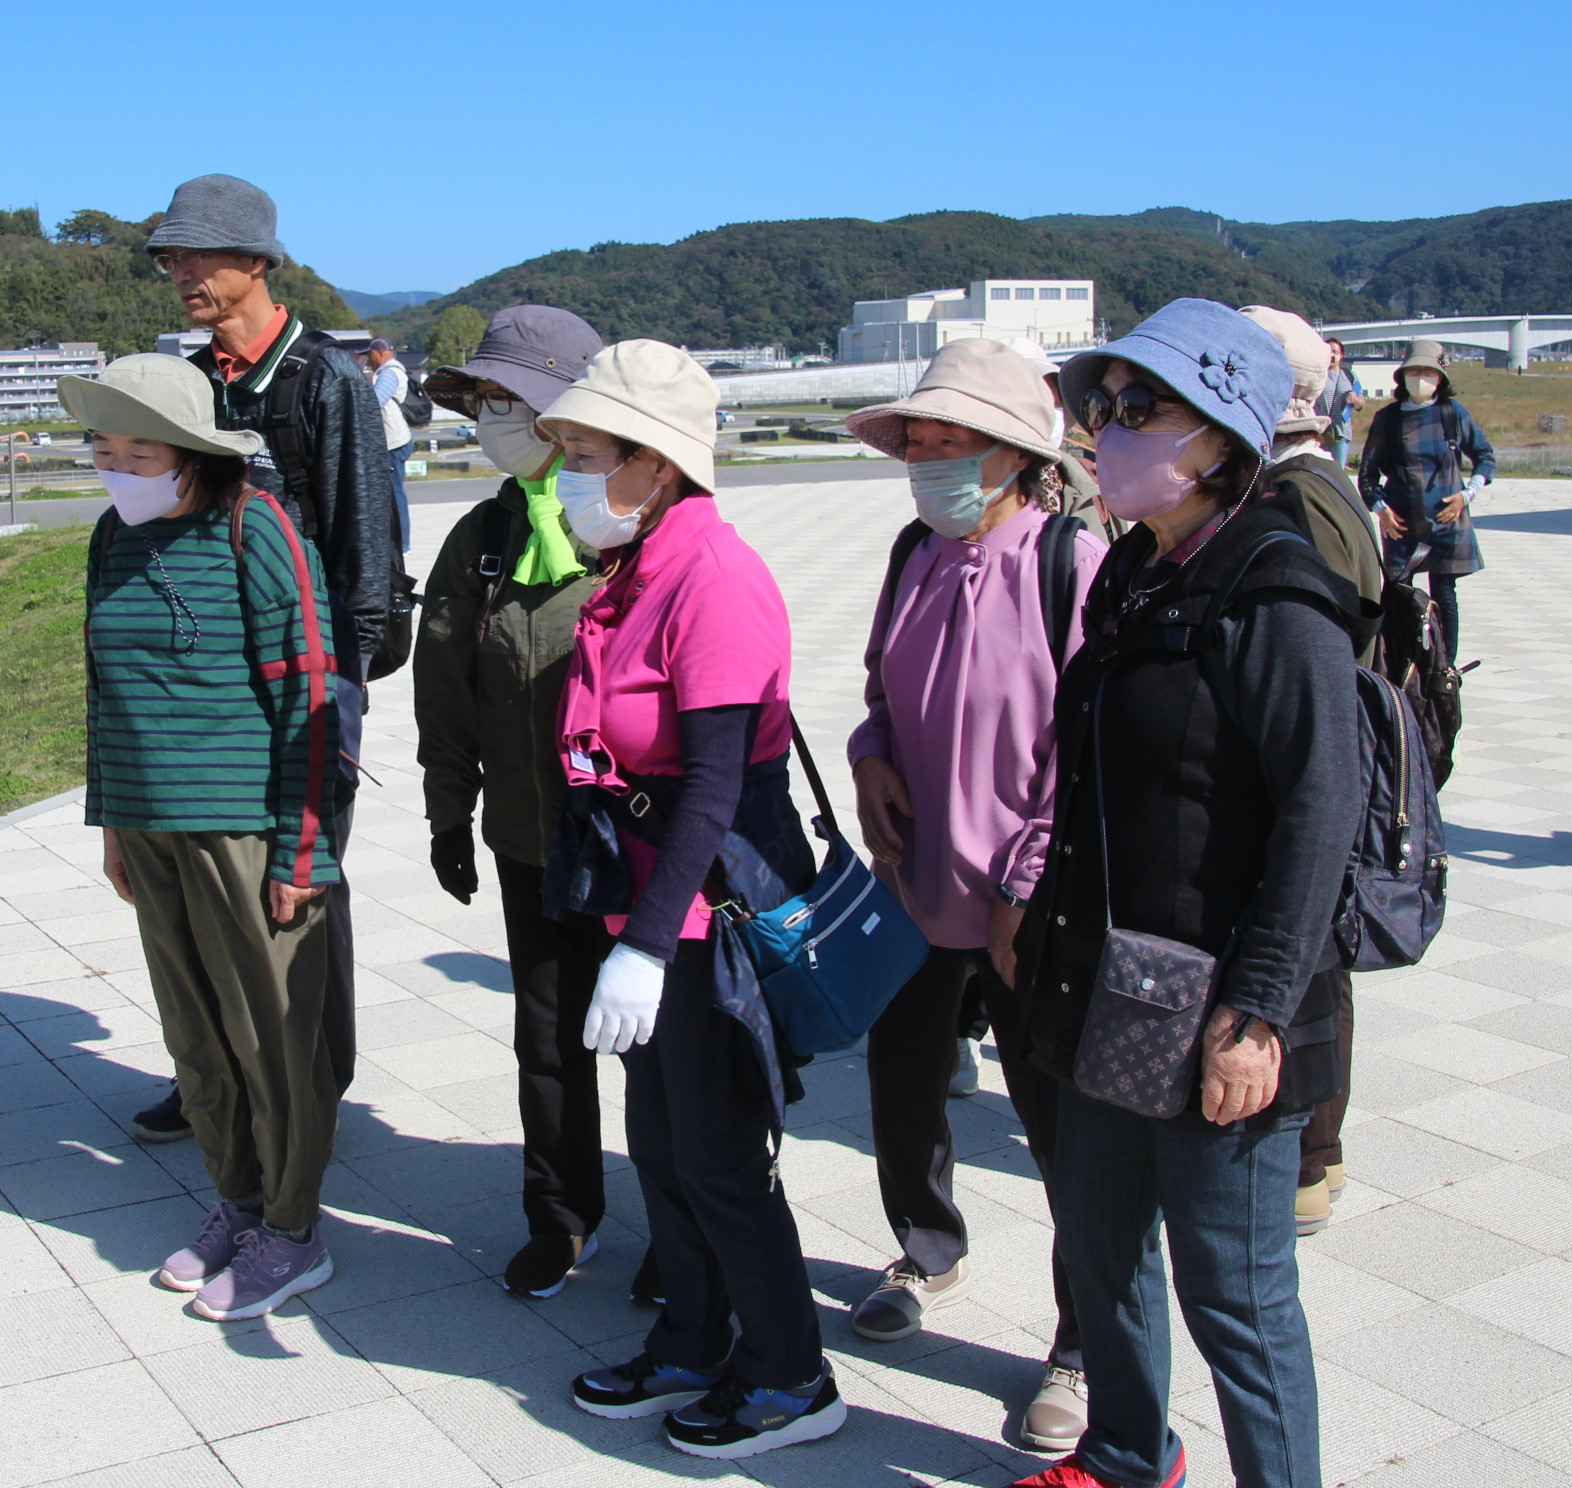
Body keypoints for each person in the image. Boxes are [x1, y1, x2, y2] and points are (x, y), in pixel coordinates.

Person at [1009, 299, 1361, 1488]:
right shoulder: (1135, 573)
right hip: (1106, 980)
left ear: (1220, 438)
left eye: (1139, 408)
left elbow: (1320, 819)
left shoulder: (1277, 595)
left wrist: (1256, 1013)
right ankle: (1122, 1456)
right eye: (1098, 406)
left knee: (1238, 1295)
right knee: (1101, 1245)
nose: (1106, 430)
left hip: (1220, 1000)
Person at [540, 341, 842, 1461]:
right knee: (663, 1149)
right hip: (644, 906)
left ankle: (790, 1375)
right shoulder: (636, 568)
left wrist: (650, 947)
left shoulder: (711, 575)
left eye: (585, 455)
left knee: (719, 1157)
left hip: (702, 920)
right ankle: (690, 1338)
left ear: (656, 465)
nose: (567, 476)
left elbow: (716, 780)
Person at [838, 339, 1104, 1455]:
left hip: (1024, 908)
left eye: (958, 446)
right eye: (921, 444)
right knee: (904, 1090)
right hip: (914, 883)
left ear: (1014, 456)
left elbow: (1089, 747)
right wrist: (870, 760)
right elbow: (876, 696)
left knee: (1062, 1132)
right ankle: (926, 1249)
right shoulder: (912, 552)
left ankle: (1085, 1344)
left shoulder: (1071, 565)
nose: (932, 463)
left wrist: (1027, 882)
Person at [63, 353, 345, 1321]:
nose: (118, 468)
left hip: (240, 829)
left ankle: (294, 1231)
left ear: (192, 455)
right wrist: (112, 821)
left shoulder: (252, 524)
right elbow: (105, 691)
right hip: (150, 824)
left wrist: (303, 849)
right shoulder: (112, 536)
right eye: (104, 450)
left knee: (273, 1038)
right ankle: (237, 1200)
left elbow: (308, 690)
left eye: (140, 451)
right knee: (196, 1037)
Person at [134, 173, 396, 1145]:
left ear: (256, 262)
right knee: (207, 892)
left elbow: (366, 557)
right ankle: (215, 1075)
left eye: (199, 255)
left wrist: (338, 699)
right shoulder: (196, 385)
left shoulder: (327, 382)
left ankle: (311, 1076)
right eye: (171, 258)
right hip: (206, 693)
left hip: (303, 687)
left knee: (298, 887)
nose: (181, 274)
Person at [413, 306, 622, 1300]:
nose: (493, 416)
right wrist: (448, 816)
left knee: (662, 1053)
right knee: (547, 1044)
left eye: (513, 399)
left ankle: (689, 1227)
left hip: (639, 853)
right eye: (483, 399)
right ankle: (561, 1216)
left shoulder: (626, 525)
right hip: (526, 841)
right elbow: (443, 689)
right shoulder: (483, 538)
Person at [1245, 305, 1385, 1241]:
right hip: (1335, 751)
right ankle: (1313, 1156)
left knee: (1305, 953)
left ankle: (1306, 1155)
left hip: (1308, 762)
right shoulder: (1326, 481)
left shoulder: (1291, 501)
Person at [1358, 337, 1495, 659]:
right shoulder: (1388, 419)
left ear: (1441, 379)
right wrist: (1381, 510)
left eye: (1428, 372)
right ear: (1403, 376)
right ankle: (1400, 661)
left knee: (1445, 594)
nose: (1420, 379)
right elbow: (1367, 475)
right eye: (1414, 371)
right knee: (1399, 593)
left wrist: (1465, 495)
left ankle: (1445, 666)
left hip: (1448, 522)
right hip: (1402, 523)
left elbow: (1485, 458)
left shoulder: (1452, 413)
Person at [366, 333, 415, 549]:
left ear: (380, 353)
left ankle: (402, 544)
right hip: (394, 440)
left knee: (395, 494)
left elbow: (375, 401)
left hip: (393, 442)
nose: (368, 359)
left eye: (370, 354)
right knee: (390, 493)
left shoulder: (389, 373)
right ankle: (397, 541)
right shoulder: (388, 372)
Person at [1317, 338, 1360, 468]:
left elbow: (1360, 405)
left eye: (1335, 351)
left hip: (1341, 431)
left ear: (1341, 355)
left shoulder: (1350, 376)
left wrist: (1355, 399)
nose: (1331, 355)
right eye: (1328, 351)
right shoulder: (1318, 374)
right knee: (1318, 471)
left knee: (1338, 471)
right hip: (1319, 431)